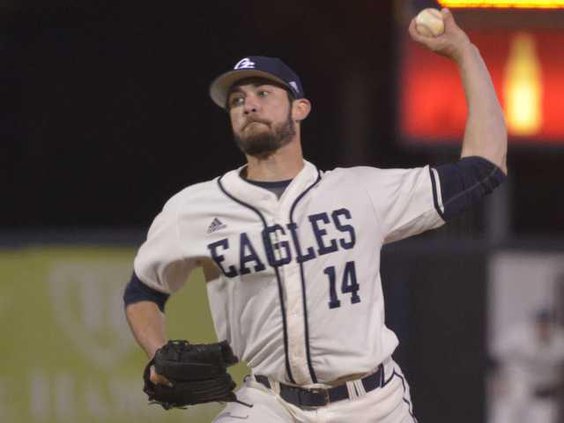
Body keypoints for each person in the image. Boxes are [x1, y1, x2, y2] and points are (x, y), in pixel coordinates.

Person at [123, 9, 507, 422]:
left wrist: (464, 52)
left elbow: (485, 166)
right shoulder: (194, 208)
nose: (248, 104)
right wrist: (158, 356)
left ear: (300, 108)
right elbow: (143, 292)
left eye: (263, 93)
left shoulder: (359, 191)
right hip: (267, 402)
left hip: (371, 404)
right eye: (237, 100)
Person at [490, 309, 564, 423]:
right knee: (506, 418)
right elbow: (495, 356)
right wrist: (497, 380)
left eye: (547, 325)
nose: (543, 329)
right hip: (516, 382)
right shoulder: (518, 335)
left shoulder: (560, 341)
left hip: (542, 388)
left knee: (544, 419)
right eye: (540, 324)